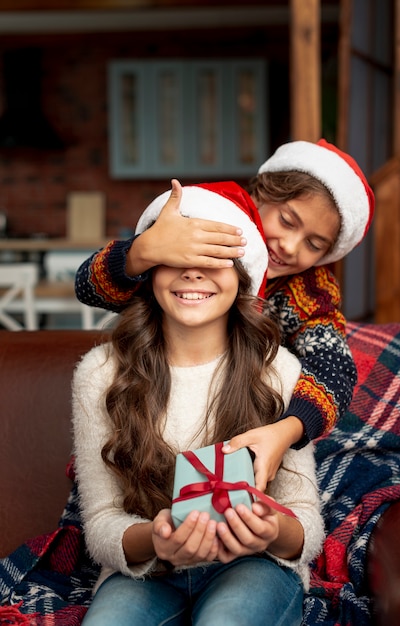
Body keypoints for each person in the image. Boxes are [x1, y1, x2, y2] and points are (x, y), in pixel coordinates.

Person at [72, 181, 324, 626]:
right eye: (177, 259)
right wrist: (156, 538)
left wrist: (271, 531)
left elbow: (305, 521)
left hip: (253, 565)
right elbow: (101, 520)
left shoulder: (278, 369)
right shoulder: (100, 372)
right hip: (148, 574)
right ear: (150, 271)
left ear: (242, 279)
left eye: (215, 261)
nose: (193, 272)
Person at [75, 139, 375, 491]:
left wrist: (288, 429)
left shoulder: (308, 292)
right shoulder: (208, 233)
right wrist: (141, 252)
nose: (290, 246)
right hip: (155, 413)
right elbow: (88, 287)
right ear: (262, 193)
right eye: (287, 220)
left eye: (314, 244)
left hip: (245, 420)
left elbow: (334, 365)